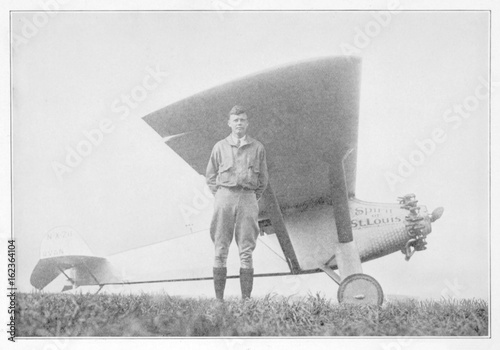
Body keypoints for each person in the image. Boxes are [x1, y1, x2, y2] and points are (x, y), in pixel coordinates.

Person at [206, 105, 269, 300]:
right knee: (220, 247)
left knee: (246, 249)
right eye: (235, 120)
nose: (239, 123)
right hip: (224, 197)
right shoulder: (219, 147)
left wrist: (251, 197)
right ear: (229, 123)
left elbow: (263, 180)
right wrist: (222, 195)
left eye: (242, 120)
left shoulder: (257, 147)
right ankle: (219, 301)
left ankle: (246, 300)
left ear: (247, 123)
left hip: (248, 197)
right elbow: (210, 176)